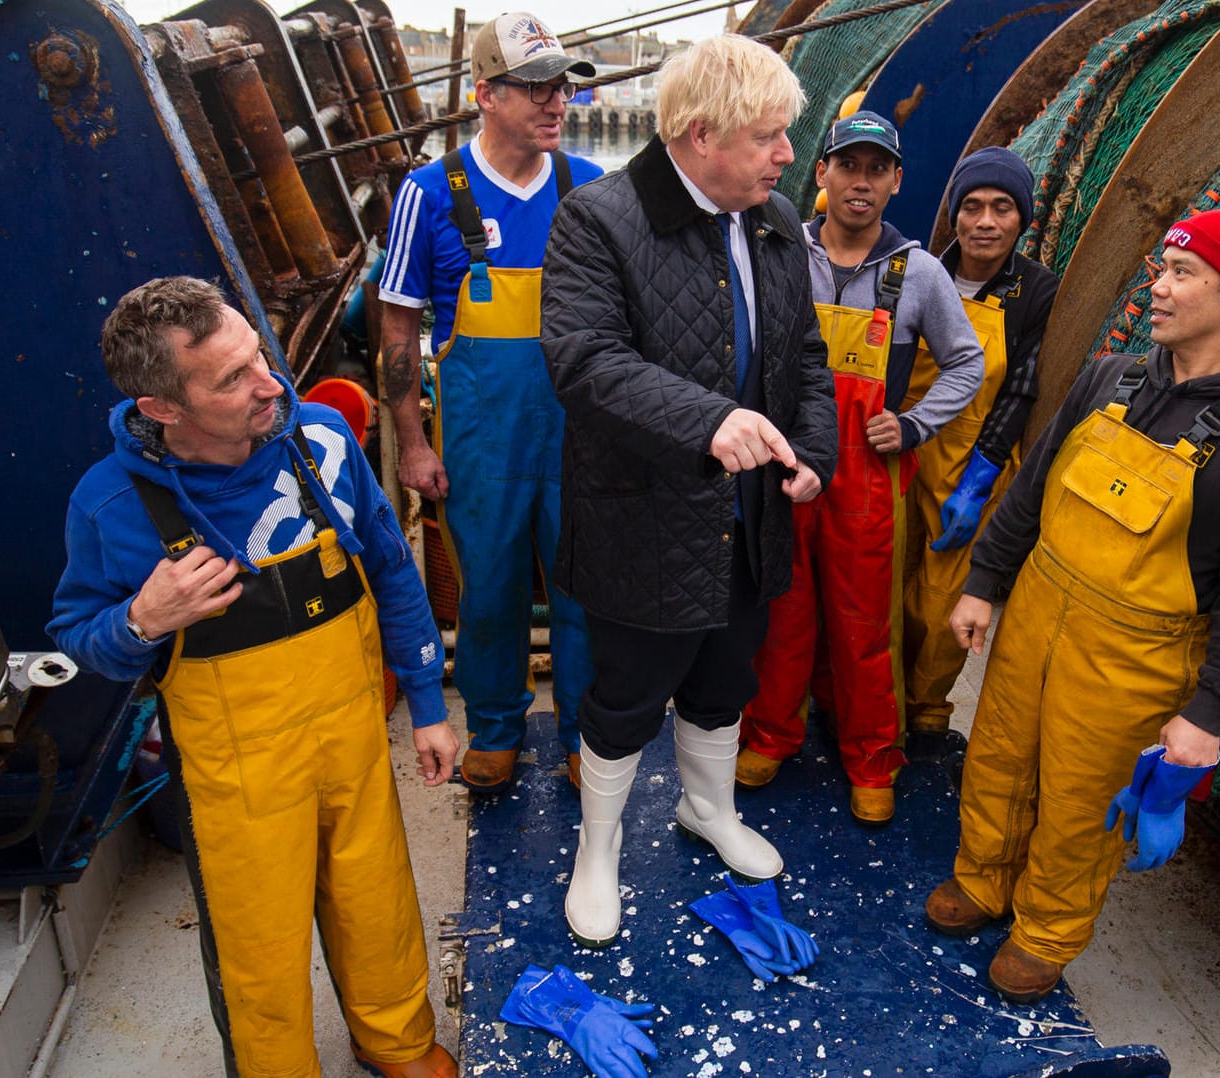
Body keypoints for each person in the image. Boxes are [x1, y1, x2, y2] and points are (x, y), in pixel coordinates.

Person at [49, 277, 460, 1077]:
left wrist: (427, 703)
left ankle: (398, 1043)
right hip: (236, 779)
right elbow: (74, 640)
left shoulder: (324, 437)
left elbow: (390, 566)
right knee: (256, 946)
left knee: (376, 901)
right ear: (163, 407)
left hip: (352, 739)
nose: (270, 383)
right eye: (232, 378)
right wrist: (143, 619)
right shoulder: (110, 504)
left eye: (259, 357)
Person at [923, 208, 1220, 1003]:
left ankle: (1045, 934)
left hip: (1136, 658)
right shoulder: (1113, 378)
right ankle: (982, 880)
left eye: (1182, 275)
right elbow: (1033, 489)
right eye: (1159, 271)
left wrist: (1207, 715)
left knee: (1080, 800)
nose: (1159, 288)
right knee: (1000, 756)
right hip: (1037, 610)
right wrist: (984, 583)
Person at [540, 34, 838, 949]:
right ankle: (598, 849)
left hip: (753, 519)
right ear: (700, 135)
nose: (789, 156)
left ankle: (707, 809)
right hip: (647, 519)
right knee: (626, 695)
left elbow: (809, 361)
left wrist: (813, 453)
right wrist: (707, 421)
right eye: (769, 138)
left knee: (725, 679)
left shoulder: (778, 220)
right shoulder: (598, 219)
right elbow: (585, 361)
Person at [734, 111, 984, 826]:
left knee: (861, 622)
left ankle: (873, 758)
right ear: (822, 173)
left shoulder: (920, 273)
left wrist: (912, 424)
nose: (860, 182)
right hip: (786, 460)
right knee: (780, 609)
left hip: (868, 476)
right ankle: (772, 734)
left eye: (877, 169)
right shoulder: (780, 249)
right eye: (848, 166)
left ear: (896, 181)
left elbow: (966, 360)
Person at [377, 11, 601, 794]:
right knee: (490, 594)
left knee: (584, 594)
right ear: (484, 94)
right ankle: (497, 729)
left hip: (580, 440)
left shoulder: (589, 187)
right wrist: (411, 441)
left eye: (562, 86)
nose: (555, 102)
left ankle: (582, 737)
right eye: (535, 87)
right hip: (481, 441)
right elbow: (399, 327)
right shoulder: (431, 194)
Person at [902, 147, 1060, 758]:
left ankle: (925, 710)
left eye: (1001, 208)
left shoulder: (1037, 291)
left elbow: (1022, 386)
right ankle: (875, 700)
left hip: (972, 465)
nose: (985, 222)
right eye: (972, 207)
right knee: (888, 586)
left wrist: (983, 471)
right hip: (905, 447)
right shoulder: (919, 272)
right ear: (954, 216)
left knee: (942, 602)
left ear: (1022, 219)